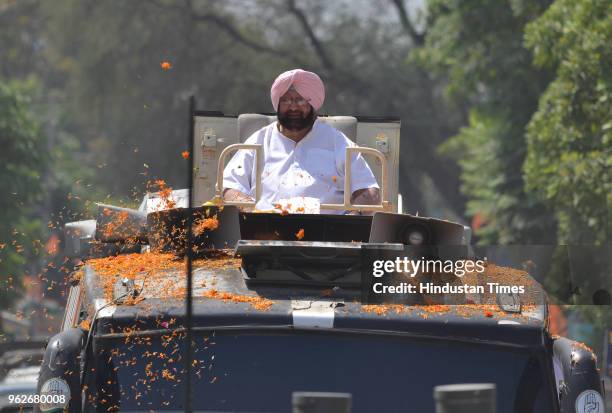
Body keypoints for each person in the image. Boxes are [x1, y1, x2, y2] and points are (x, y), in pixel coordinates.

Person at [222, 68, 380, 214]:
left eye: (300, 100)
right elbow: (229, 186)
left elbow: (368, 191)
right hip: (266, 230)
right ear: (277, 104)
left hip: (327, 235)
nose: (293, 107)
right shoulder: (259, 140)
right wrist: (250, 213)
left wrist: (354, 215)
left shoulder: (337, 142)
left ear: (313, 105)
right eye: (286, 101)